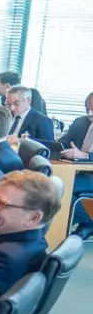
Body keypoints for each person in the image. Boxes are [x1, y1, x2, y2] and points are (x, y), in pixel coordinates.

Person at [56, 92, 93, 234]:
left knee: (64, 194)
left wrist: (85, 156)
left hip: (87, 177)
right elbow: (62, 143)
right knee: (53, 188)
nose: (89, 113)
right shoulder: (80, 122)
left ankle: (87, 223)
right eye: (87, 108)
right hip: (76, 172)